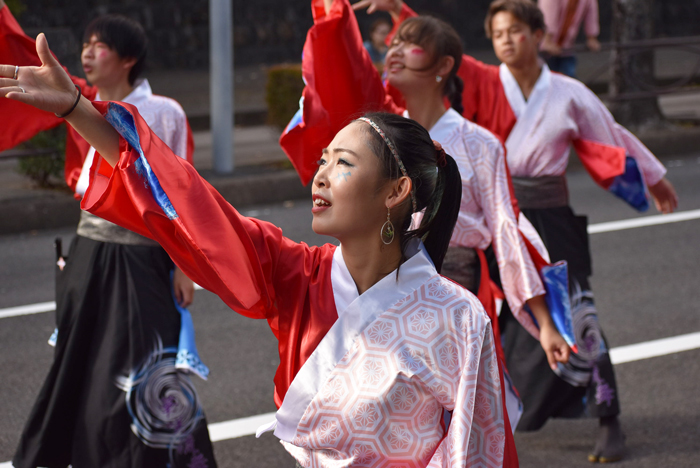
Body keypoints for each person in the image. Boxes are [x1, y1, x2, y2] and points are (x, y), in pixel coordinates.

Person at [3, 35, 521, 467]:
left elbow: (478, 449)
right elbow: (192, 203)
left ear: (396, 191)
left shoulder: (459, 316)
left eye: (343, 163)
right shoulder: (296, 275)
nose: (319, 175)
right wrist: (78, 110)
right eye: (322, 160)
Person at [382, 0, 679, 462]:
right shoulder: (483, 80)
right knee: (494, 319)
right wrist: (398, 10)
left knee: (573, 311)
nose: (506, 39)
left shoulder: (568, 92)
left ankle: (607, 415)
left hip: (547, 217)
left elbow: (609, 133)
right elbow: (430, 53)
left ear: (539, 36)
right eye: (498, 32)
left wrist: (653, 178)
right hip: (496, 212)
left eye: (516, 30)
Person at [280, 0, 571, 433]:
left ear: (444, 67)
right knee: (367, 404)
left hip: (452, 283)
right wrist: (330, 13)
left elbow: (507, 230)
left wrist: (544, 320)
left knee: (448, 414)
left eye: (411, 45)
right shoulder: (377, 134)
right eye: (392, 42)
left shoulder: (480, 143)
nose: (393, 50)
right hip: (379, 278)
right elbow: (343, 75)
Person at [0, 5, 216, 467]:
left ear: (128, 58)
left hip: (142, 258)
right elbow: (30, 61)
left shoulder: (164, 112)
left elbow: (181, 195)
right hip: (88, 254)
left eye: (100, 46)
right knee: (79, 366)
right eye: (85, 45)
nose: (88, 53)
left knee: (146, 369)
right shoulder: (79, 100)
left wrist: (183, 265)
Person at [538, 0, 601, 78]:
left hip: (566, 48)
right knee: (545, 78)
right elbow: (548, 14)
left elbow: (591, 13)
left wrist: (591, 37)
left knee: (569, 77)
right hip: (544, 50)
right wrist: (547, 41)